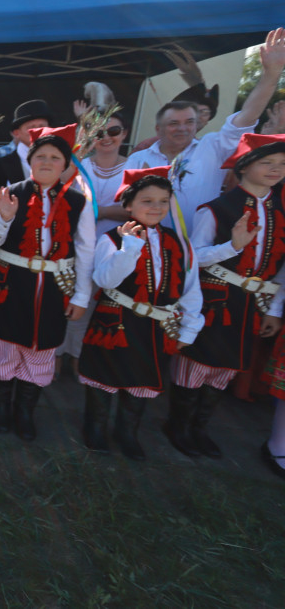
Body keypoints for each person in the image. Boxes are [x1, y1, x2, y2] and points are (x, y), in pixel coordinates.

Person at [166, 134, 285, 459]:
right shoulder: (218, 209)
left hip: (253, 305)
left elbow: (282, 267)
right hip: (216, 299)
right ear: (245, 166)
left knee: (226, 368)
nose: (276, 169)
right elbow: (195, 257)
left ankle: (200, 428)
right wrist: (232, 246)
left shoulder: (282, 211)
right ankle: (178, 426)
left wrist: (274, 310)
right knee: (196, 362)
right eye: (267, 162)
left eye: (282, 164)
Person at [0, 125, 95, 441]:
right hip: (12, 283)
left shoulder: (78, 200)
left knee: (41, 349)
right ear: (30, 160)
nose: (46, 162)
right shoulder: (11, 192)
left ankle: (25, 411)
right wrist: (3, 217)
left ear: (65, 163)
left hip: (55, 288)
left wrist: (82, 295)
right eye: (40, 156)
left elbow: (85, 248)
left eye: (54, 157)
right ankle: (1, 405)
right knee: (4, 346)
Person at [78, 168, 202, 460]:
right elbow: (105, 280)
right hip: (117, 320)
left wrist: (189, 328)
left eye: (163, 201)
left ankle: (127, 431)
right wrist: (130, 248)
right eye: (147, 201)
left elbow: (191, 288)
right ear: (129, 205)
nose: (156, 207)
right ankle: (94, 427)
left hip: (157, 326)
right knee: (104, 373)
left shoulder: (179, 243)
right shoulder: (111, 238)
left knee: (143, 377)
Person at [126, 28, 285, 231]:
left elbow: (247, 116)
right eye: (174, 123)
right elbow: (125, 205)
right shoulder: (138, 159)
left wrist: (271, 74)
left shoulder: (213, 147)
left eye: (189, 122)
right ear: (159, 128)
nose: (182, 128)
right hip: (153, 252)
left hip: (201, 250)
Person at [56, 111, 132, 375]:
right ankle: (55, 355)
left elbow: (139, 209)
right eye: (99, 133)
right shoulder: (80, 166)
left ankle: (81, 359)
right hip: (76, 247)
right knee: (72, 300)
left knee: (100, 310)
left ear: (124, 134)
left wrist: (99, 212)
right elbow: (58, 190)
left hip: (118, 250)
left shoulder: (135, 166)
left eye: (114, 131)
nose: (107, 138)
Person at [0, 99, 53, 193]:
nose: (38, 131)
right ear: (16, 133)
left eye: (42, 126)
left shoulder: (59, 161)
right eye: (31, 127)